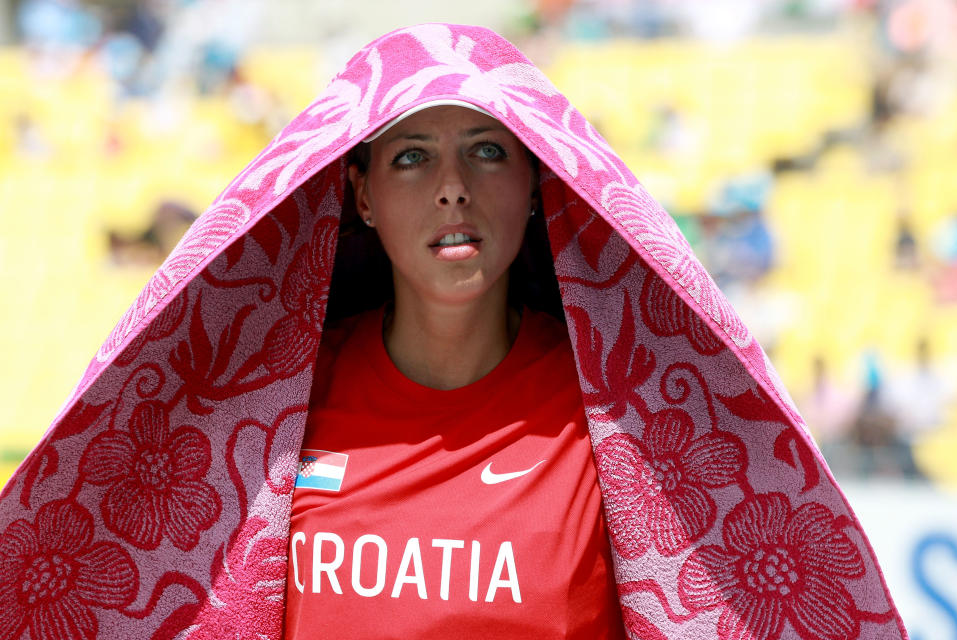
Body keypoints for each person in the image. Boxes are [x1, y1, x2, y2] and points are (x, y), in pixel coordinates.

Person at [0, 24, 906, 640]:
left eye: (485, 149)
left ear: (538, 183)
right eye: (409, 156)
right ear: (356, 193)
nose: (451, 186)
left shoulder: (629, 420)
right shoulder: (267, 409)